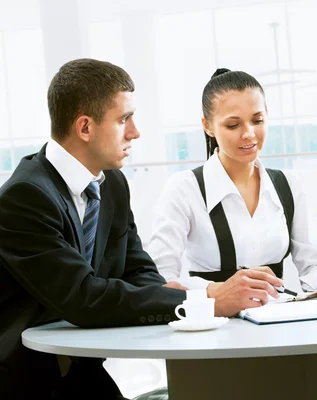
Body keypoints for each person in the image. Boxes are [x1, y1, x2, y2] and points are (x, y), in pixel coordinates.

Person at [0, 58, 202, 399]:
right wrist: (199, 300)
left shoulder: (112, 185)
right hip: (25, 378)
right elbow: (84, 297)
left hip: (81, 371)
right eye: (124, 119)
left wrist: (167, 296)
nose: (135, 131)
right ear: (84, 128)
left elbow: (139, 270)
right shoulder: (25, 197)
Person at [148, 68, 317, 317]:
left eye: (257, 120)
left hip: (279, 320)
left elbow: (312, 264)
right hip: (213, 324)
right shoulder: (184, 188)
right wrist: (214, 290)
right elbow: (159, 278)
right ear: (208, 126)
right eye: (233, 124)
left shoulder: (287, 184)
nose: (248, 133)